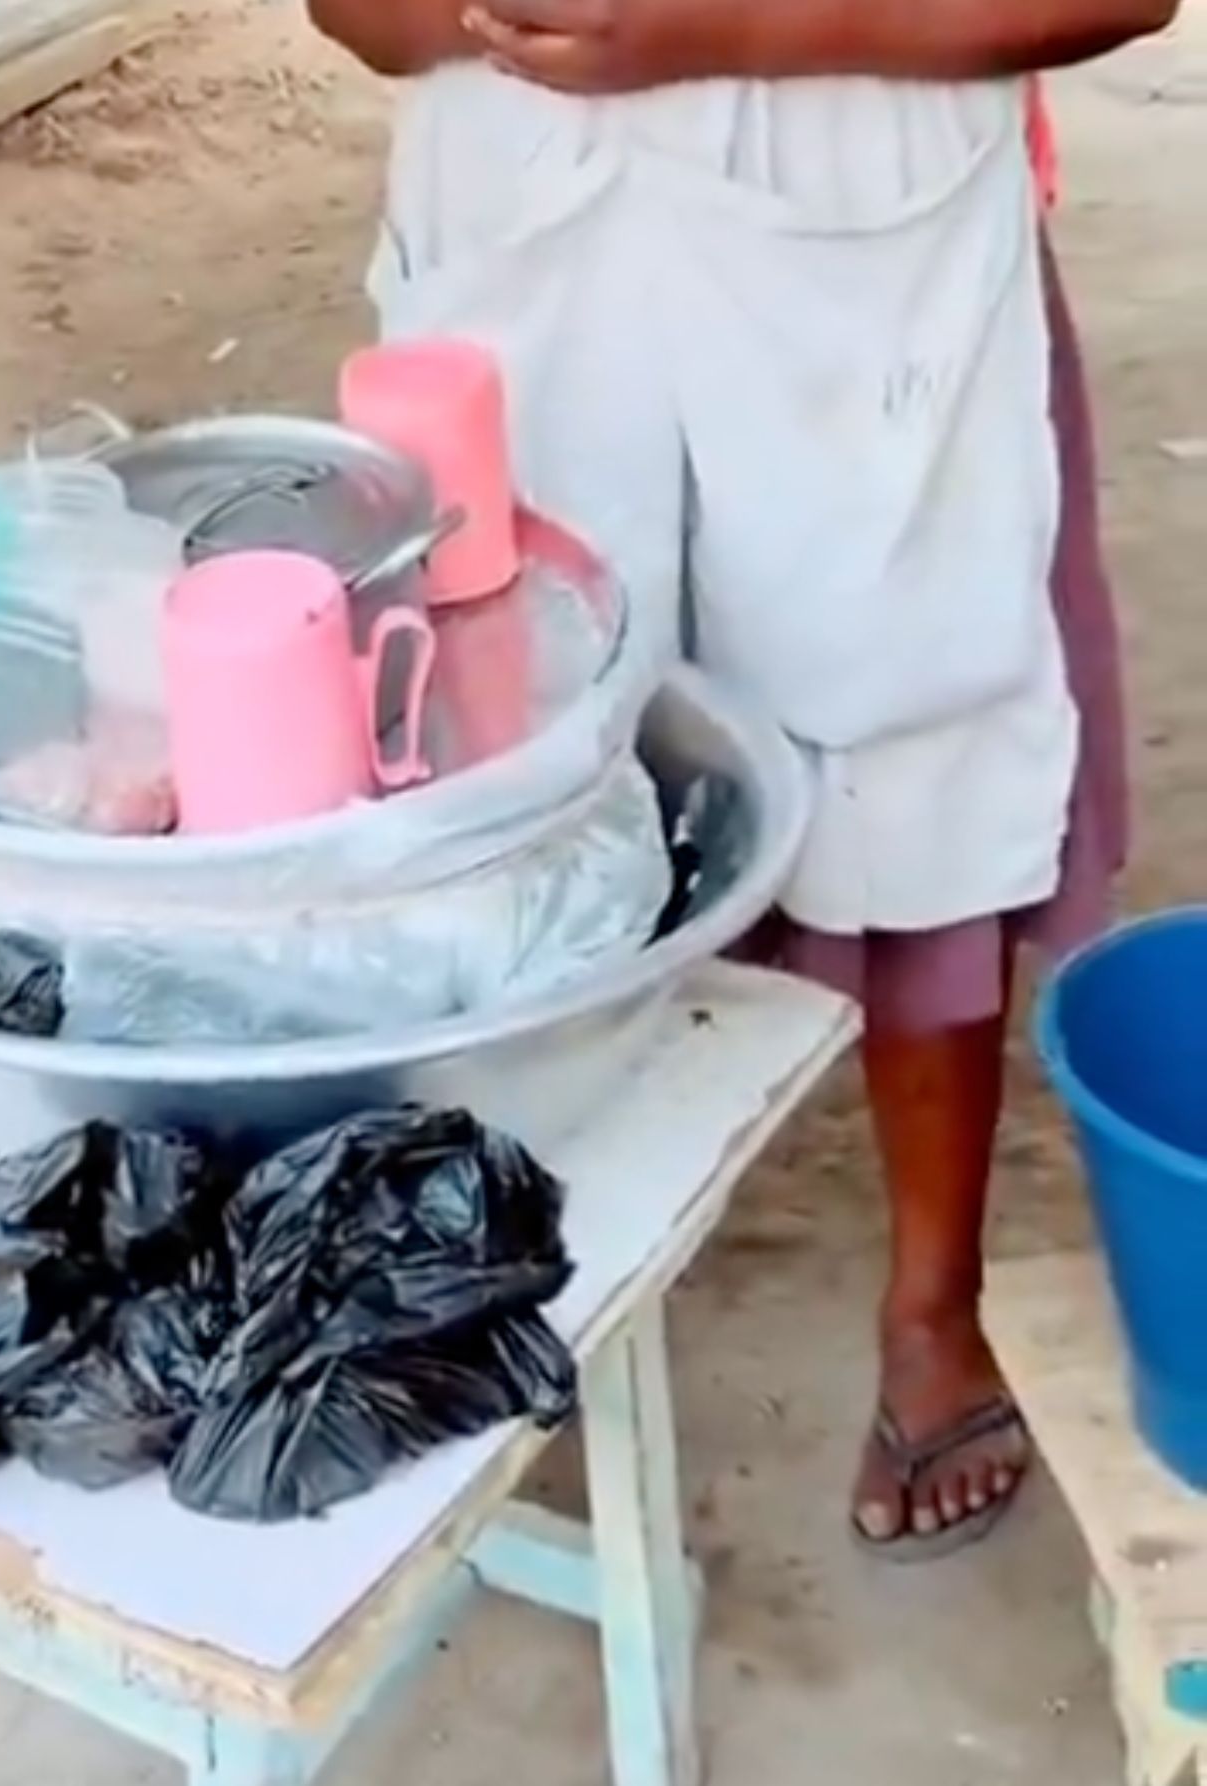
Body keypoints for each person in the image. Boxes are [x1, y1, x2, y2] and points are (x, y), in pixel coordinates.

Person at [306, 0, 1169, 1557]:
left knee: (910, 760)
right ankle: (507, 1266)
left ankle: (931, 1306)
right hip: (523, 234)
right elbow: (348, 16)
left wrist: (732, 33)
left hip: (866, 239)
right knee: (524, 747)